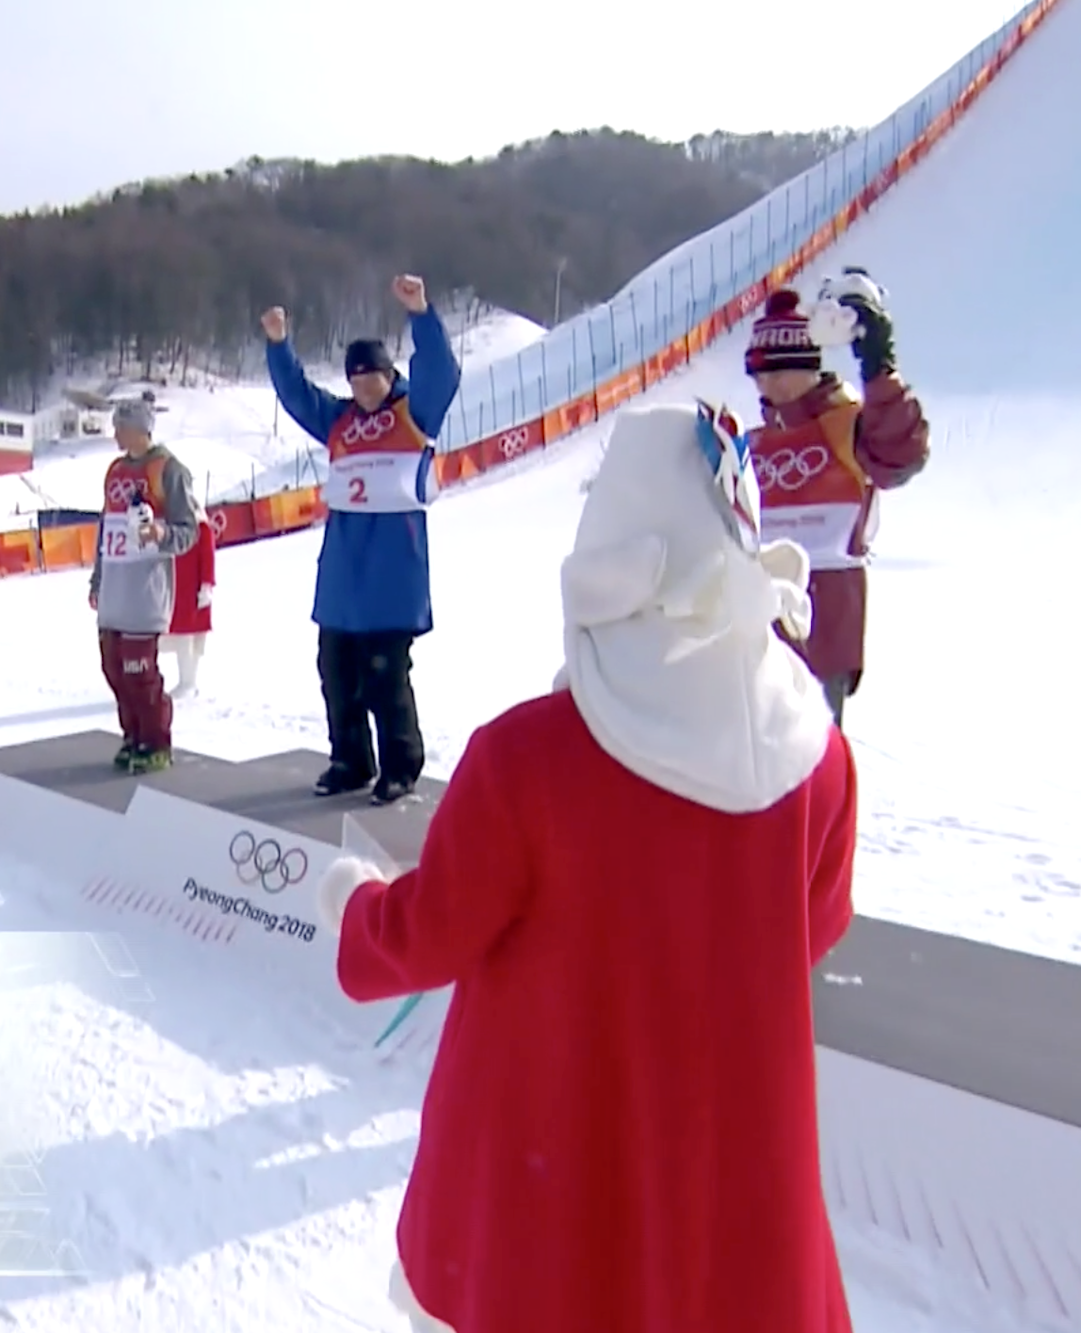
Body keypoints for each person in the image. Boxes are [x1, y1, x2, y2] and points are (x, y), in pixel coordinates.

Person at [315, 401, 857, 1333]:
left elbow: (425, 935)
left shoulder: (528, 759)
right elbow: (816, 925)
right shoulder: (819, 756)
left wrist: (354, 906)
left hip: (544, 1199)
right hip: (737, 1199)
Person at [263, 275, 462, 805]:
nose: (364, 385)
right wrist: (279, 345)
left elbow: (441, 373)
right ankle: (350, 759)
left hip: (393, 574)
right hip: (343, 575)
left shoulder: (413, 414)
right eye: (355, 377)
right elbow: (298, 396)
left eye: (372, 374)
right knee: (336, 672)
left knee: (386, 678)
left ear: (388, 373)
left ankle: (400, 765)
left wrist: (420, 311)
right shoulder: (340, 422)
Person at [744, 268, 929, 725]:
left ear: (809, 364)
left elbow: (901, 451)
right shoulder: (752, 442)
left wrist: (879, 367)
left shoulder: (848, 424)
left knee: (810, 767)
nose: (769, 385)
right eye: (759, 374)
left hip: (824, 625)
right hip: (753, 624)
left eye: (780, 370)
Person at [88, 398, 197, 772]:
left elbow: (190, 531)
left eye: (121, 425)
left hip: (145, 592)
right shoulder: (115, 470)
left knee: (139, 672)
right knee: (113, 669)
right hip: (114, 589)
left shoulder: (168, 470)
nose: (115, 432)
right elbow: (106, 529)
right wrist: (97, 578)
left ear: (139, 428)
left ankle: (156, 741)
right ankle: (132, 735)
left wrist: (159, 533)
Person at [161, 499, 216, 699]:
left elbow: (208, 558)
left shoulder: (202, 528)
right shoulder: (177, 529)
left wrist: (206, 586)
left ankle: (188, 682)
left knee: (190, 638)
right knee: (181, 636)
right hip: (179, 591)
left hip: (194, 592)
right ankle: (186, 681)